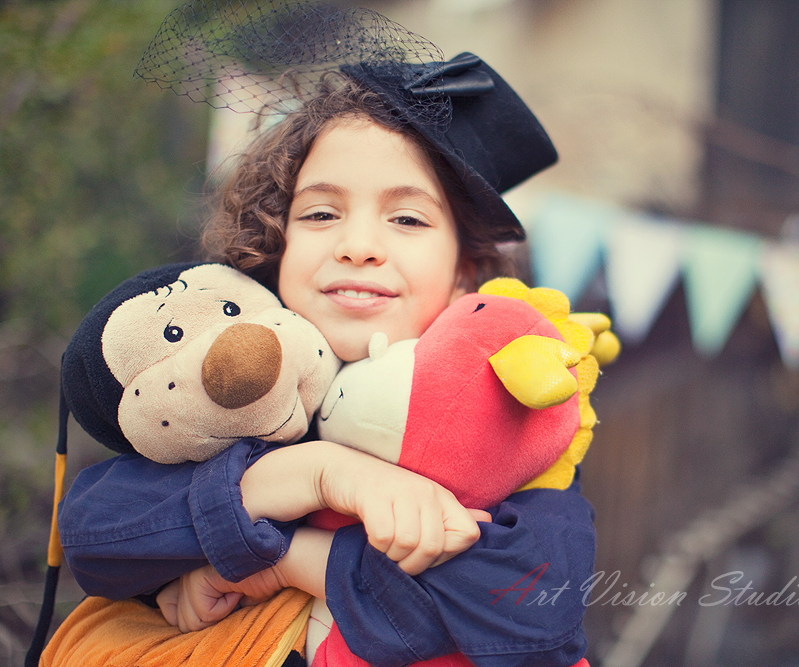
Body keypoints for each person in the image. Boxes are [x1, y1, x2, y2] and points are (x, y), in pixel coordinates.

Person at [51, 4, 595, 667]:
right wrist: (318, 472)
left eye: (407, 218)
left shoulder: (499, 411)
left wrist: (289, 560)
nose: (359, 245)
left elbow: (534, 610)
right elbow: (94, 535)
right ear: (275, 242)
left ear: (465, 273)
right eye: (320, 212)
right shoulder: (243, 386)